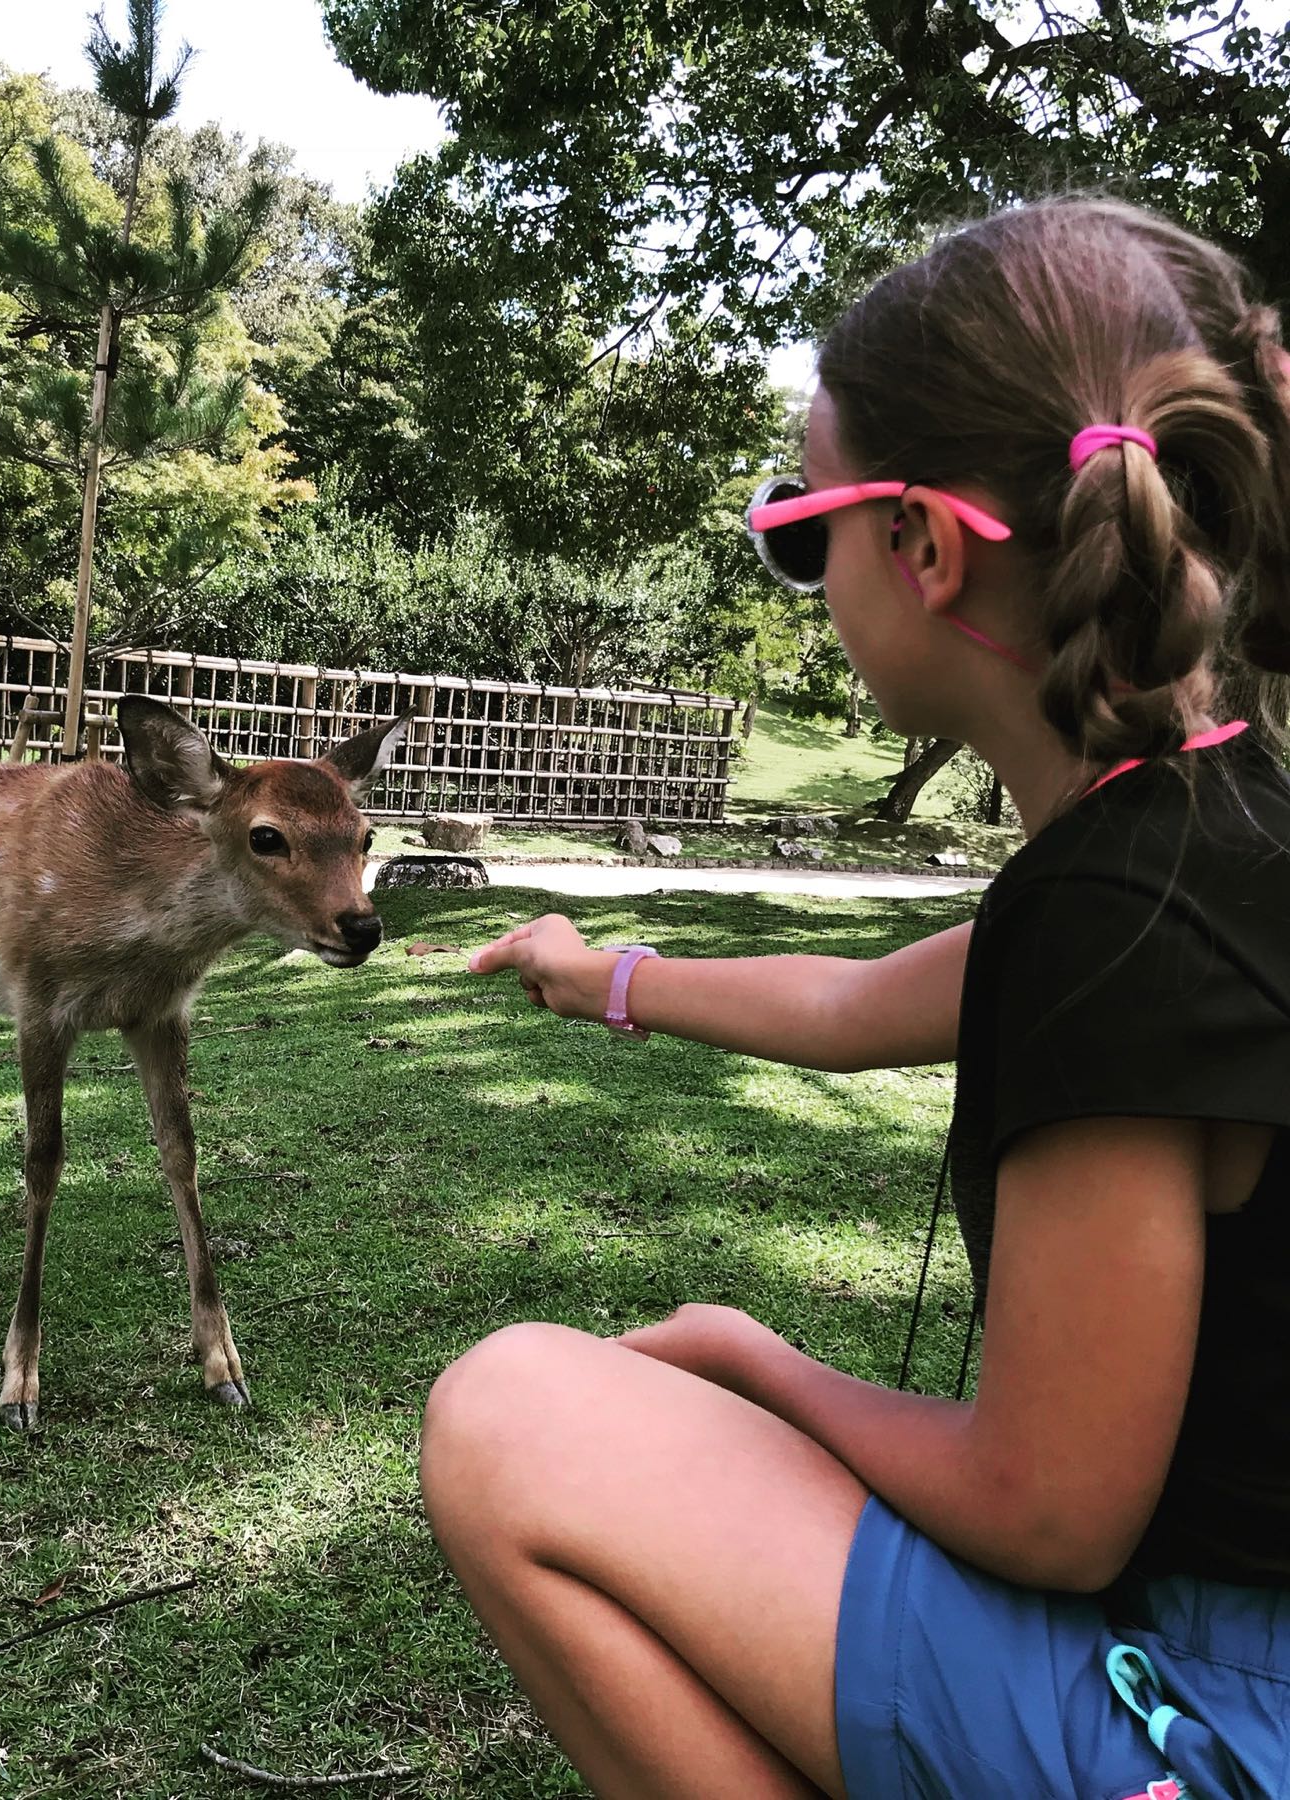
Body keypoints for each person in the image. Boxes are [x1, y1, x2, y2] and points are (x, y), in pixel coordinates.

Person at [421, 198, 1290, 1799]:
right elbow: (854, 1003)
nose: (805, 572)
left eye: (803, 524)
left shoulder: (1119, 921)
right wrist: (600, 974)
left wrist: (762, 1360)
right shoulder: (1216, 837)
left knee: (506, 1415)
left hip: (1226, 1715)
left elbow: (1050, 1505)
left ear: (925, 546)